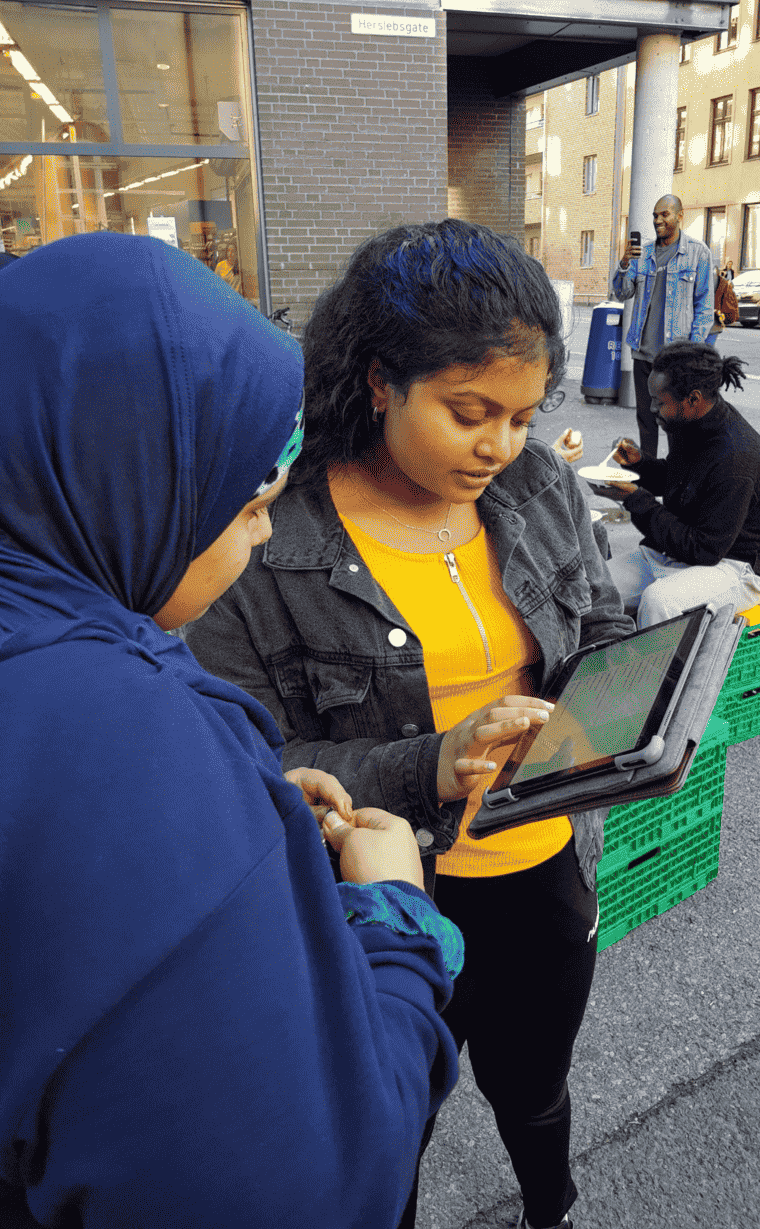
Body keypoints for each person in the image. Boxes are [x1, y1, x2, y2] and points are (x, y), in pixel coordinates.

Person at [0, 231, 463, 1229]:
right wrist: (393, 915)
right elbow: (310, 1187)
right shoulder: (132, 751)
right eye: (249, 502)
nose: (260, 533)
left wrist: (246, 828)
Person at [185, 219, 636, 1229]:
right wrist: (429, 763)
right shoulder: (268, 539)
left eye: (523, 415)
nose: (500, 445)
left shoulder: (535, 485)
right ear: (381, 379)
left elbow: (600, 621)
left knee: (534, 1087)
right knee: (388, 1120)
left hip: (544, 867)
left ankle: (549, 1207)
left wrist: (630, 704)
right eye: (471, 411)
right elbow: (239, 760)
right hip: (375, 895)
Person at [592, 341, 760, 630]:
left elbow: (705, 550)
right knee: (592, 591)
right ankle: (597, 664)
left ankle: (656, 676)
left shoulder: (736, 457)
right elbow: (679, 478)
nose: (652, 407)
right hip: (677, 550)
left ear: (692, 399)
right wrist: (638, 465)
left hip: (735, 565)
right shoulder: (686, 422)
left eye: (660, 401)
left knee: (660, 602)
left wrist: (636, 500)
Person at [611, 195, 714, 457]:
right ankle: (648, 481)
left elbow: (704, 309)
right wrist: (624, 264)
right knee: (646, 421)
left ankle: (675, 481)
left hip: (675, 359)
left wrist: (692, 354)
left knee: (675, 422)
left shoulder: (698, 253)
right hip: (643, 355)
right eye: (655, 215)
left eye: (664, 214)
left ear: (680, 216)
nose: (658, 220)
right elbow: (622, 293)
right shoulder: (642, 254)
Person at [706, 265, 739, 346]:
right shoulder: (721, 281)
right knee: (708, 352)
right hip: (716, 323)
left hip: (704, 323)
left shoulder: (703, 277)